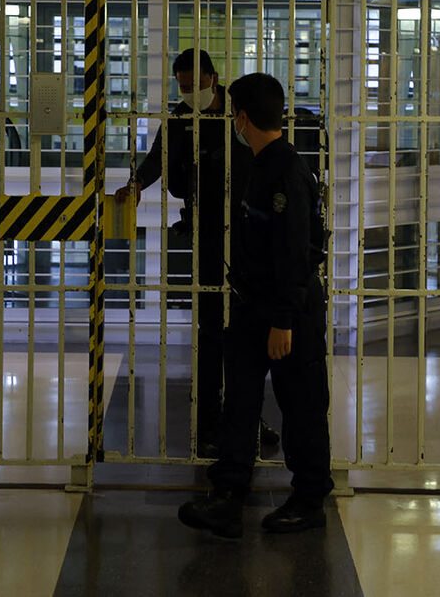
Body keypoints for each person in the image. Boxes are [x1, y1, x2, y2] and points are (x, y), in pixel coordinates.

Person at [177, 72, 332, 538]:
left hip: (288, 314)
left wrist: (284, 320)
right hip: (253, 307)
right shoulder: (259, 163)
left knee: (301, 407)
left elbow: (295, 254)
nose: (232, 123)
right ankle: (228, 496)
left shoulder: (286, 172)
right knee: (239, 403)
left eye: (232, 115)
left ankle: (309, 498)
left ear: (243, 117)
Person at [113, 49, 277, 455]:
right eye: (183, 87)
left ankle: (248, 421)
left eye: (197, 85)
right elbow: (156, 161)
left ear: (215, 78)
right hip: (206, 236)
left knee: (245, 335)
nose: (190, 93)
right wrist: (134, 185)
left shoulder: (239, 115)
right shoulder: (180, 119)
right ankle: (208, 425)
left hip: (247, 235)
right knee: (210, 336)